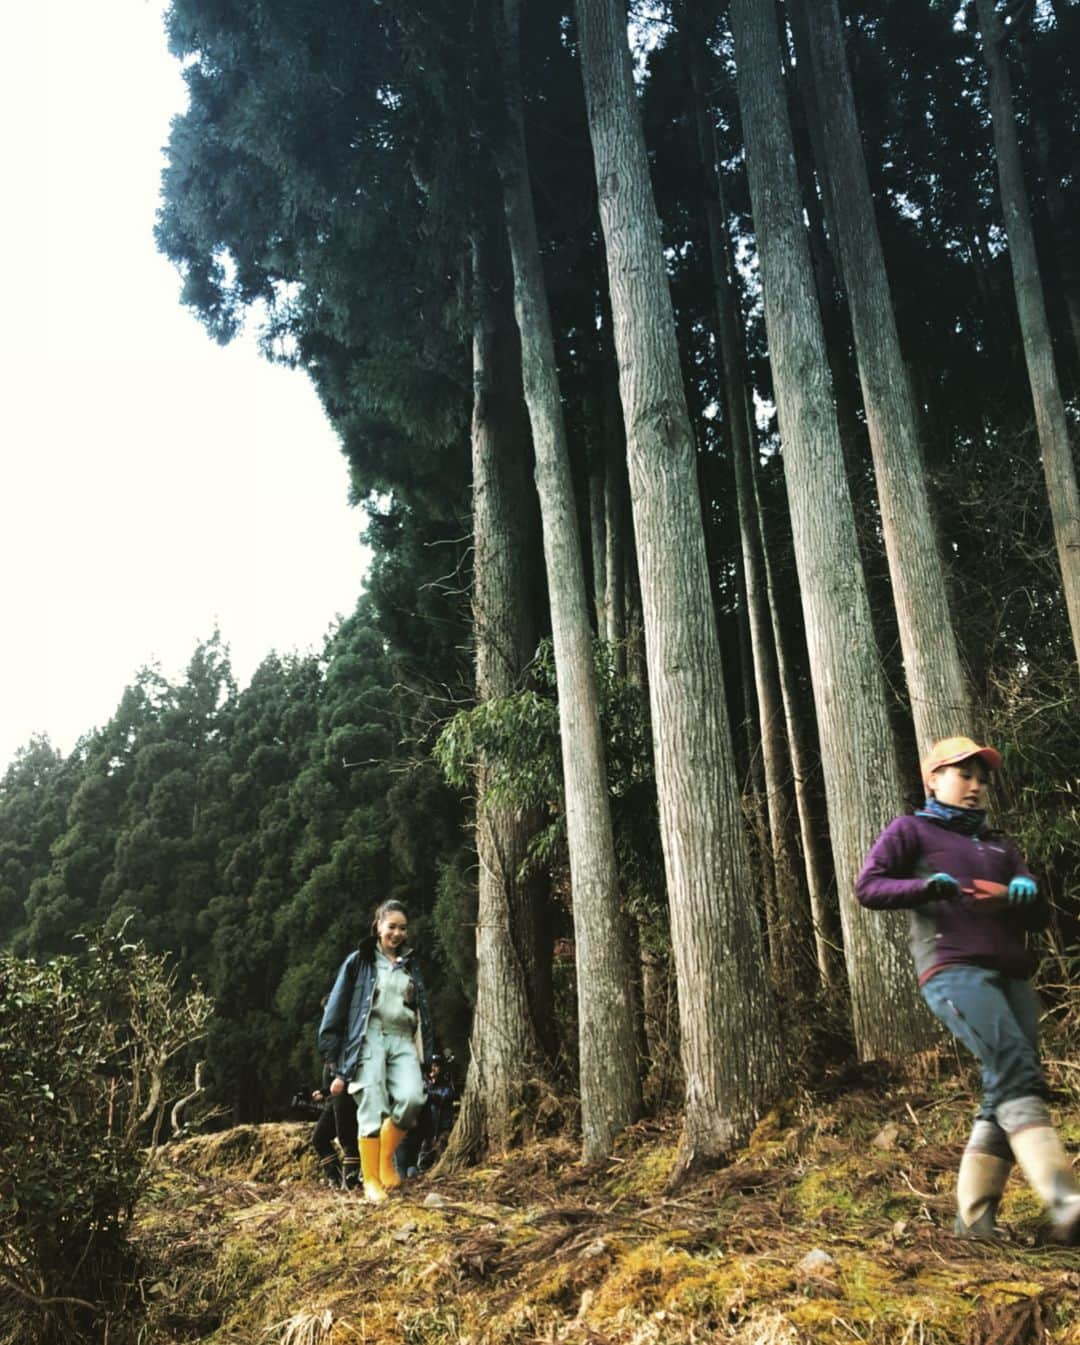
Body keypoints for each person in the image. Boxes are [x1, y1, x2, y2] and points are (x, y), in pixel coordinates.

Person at [856, 735, 1080, 1244]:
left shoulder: (999, 845)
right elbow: (869, 886)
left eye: (982, 778)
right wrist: (925, 887)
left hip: (1011, 975)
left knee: (1004, 1083)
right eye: (964, 775)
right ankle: (1065, 1200)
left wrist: (1023, 894)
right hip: (953, 970)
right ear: (933, 779)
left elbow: (1041, 914)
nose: (976, 786)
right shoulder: (910, 830)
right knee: (1016, 1068)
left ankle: (974, 1225)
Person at [317, 900, 434, 1203]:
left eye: (402, 928)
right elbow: (337, 1007)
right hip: (369, 1037)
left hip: (403, 1037)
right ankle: (371, 1180)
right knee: (371, 1100)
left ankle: (384, 1159)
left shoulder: (411, 964)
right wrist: (332, 1058)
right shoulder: (360, 961)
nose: (397, 933)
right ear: (378, 927)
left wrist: (430, 1054)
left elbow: (424, 1013)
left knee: (412, 1098)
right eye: (391, 926)